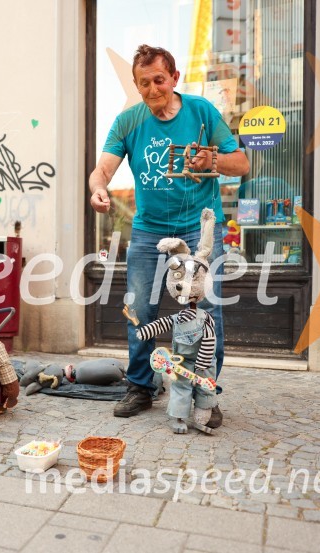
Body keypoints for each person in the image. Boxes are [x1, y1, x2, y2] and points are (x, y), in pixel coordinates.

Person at [88, 44, 250, 423]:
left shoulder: (202, 112)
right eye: (143, 83)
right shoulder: (128, 121)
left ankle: (205, 391)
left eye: (159, 80)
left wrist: (211, 158)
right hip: (148, 231)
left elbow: (241, 163)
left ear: (174, 78)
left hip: (199, 230)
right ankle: (141, 386)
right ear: (136, 85)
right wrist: (97, 189)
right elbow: (103, 170)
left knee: (206, 311)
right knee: (139, 310)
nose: (152, 89)